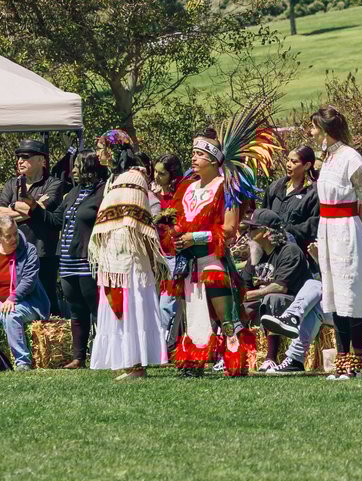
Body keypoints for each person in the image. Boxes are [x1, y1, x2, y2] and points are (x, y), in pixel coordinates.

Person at [87, 134, 166, 381]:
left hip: (129, 254)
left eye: (101, 149)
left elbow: (134, 216)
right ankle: (126, 362)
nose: (98, 154)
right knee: (117, 304)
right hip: (113, 254)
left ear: (113, 150)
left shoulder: (133, 176)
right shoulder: (114, 179)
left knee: (132, 304)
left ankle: (136, 364)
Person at [305, 108, 362, 381]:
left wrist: (359, 228)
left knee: (349, 292)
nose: (310, 132)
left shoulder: (350, 157)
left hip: (347, 227)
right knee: (333, 293)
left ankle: (354, 361)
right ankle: (341, 359)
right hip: (327, 227)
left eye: (313, 127)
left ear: (324, 128)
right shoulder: (328, 157)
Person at [168, 132, 245, 374]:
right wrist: (177, 234)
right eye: (192, 153)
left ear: (214, 160)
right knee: (194, 314)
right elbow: (181, 220)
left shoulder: (227, 187)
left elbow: (230, 228)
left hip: (213, 259)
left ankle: (235, 359)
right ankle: (194, 360)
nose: (193, 158)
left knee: (225, 315)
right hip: (190, 262)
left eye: (200, 154)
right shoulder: (187, 188)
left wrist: (196, 237)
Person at [0, 208, 52, 369]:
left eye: (15, 233)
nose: (13, 238)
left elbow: (29, 280)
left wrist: (13, 298)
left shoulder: (29, 251)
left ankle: (22, 362)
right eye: (8, 236)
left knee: (10, 313)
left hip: (28, 302)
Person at [240, 208, 317, 372]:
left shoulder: (289, 251)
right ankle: (234, 355)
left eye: (253, 228)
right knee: (233, 306)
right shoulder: (256, 253)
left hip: (292, 304)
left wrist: (248, 294)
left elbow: (280, 287)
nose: (248, 232)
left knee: (272, 298)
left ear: (267, 232)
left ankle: (271, 358)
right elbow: (244, 286)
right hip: (264, 302)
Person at [52, 152, 107, 369]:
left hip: (88, 260)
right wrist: (34, 208)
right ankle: (78, 357)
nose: (73, 170)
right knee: (76, 310)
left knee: (96, 309)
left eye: (77, 166)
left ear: (90, 166)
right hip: (67, 260)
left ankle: (103, 355)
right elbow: (56, 220)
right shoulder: (73, 192)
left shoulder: (103, 192)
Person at [0, 139, 65, 266]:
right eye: (18, 157)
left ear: (41, 161)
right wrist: (26, 206)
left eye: (26, 157)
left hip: (43, 254)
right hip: (14, 252)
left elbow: (43, 208)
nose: (20, 160)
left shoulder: (54, 183)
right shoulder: (11, 183)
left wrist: (12, 208)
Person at [260, 145, 320, 251]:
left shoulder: (312, 193)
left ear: (307, 165)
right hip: (270, 249)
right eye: (288, 160)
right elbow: (264, 213)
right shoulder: (276, 187)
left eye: (294, 162)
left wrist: (287, 231)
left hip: (296, 251)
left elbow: (314, 225)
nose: (288, 164)